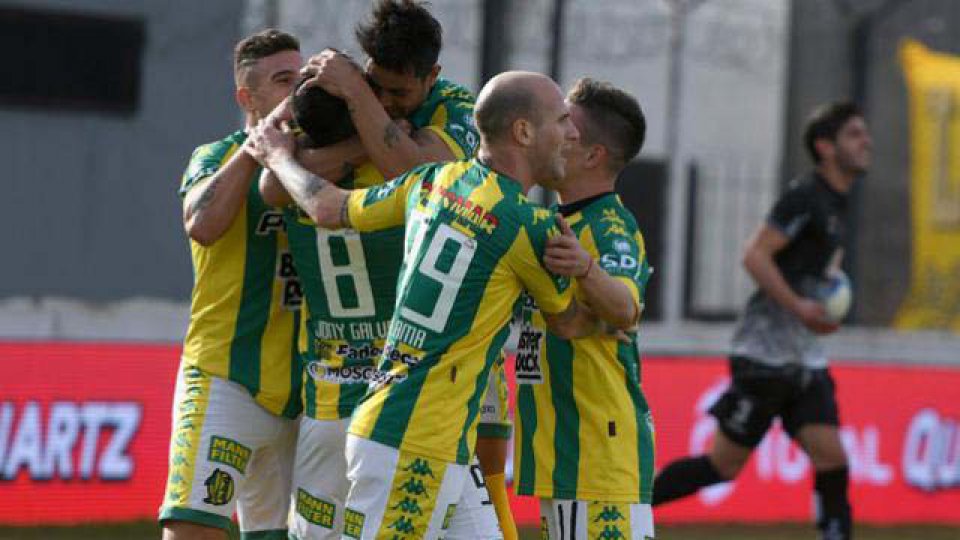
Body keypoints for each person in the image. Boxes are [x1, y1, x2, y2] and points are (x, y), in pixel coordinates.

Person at [247, 70, 596, 540]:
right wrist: (602, 284)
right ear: (524, 132)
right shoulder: (530, 226)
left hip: (432, 437)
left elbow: (329, 207)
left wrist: (278, 159)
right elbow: (570, 324)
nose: (573, 133)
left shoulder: (432, 181)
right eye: (562, 121)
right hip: (413, 444)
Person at [651, 101, 871, 540]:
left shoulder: (838, 203)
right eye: (854, 134)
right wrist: (800, 307)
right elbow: (755, 255)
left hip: (804, 357)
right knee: (722, 466)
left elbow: (819, 274)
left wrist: (825, 308)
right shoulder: (804, 197)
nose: (866, 142)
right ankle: (625, 504)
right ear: (825, 147)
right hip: (764, 357)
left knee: (833, 458)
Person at [159, 30, 303, 540]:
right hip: (224, 376)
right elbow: (201, 224)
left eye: (302, 77)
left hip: (306, 391)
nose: (297, 91)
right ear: (247, 97)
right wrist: (255, 149)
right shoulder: (214, 156)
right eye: (283, 80)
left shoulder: (325, 166)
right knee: (191, 529)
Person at [511, 78, 655, 540]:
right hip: (565, 449)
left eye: (565, 127)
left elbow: (626, 309)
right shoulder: (555, 223)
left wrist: (586, 268)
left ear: (593, 155)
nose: (554, 134)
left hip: (594, 449)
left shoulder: (608, 226)